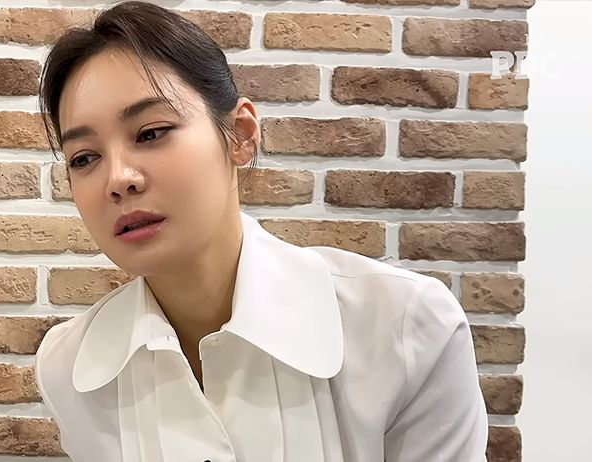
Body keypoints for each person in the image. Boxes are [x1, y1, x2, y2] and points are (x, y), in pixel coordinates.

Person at [34, 1, 489, 461]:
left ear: (240, 134)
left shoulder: (406, 328)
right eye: (84, 158)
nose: (118, 179)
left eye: (150, 132)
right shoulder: (70, 368)